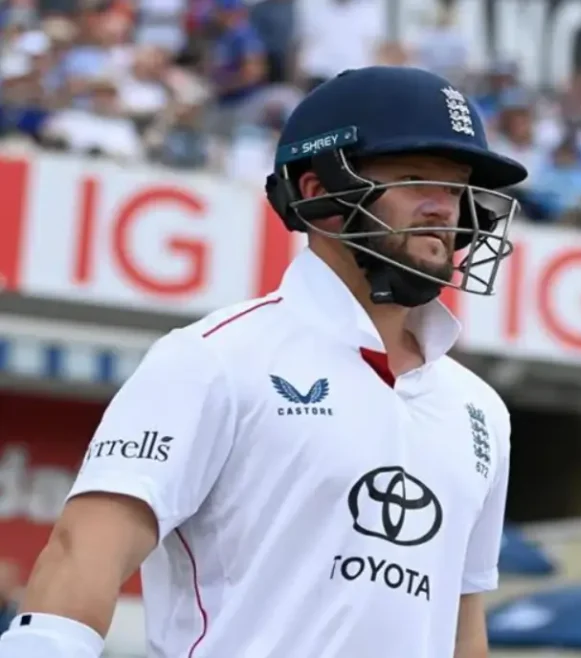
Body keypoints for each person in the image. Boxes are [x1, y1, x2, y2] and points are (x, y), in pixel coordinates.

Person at [0, 66, 527, 658]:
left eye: (455, 188)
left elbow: (459, 627)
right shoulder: (215, 358)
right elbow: (84, 553)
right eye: (413, 179)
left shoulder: (479, 410)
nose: (444, 209)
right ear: (317, 192)